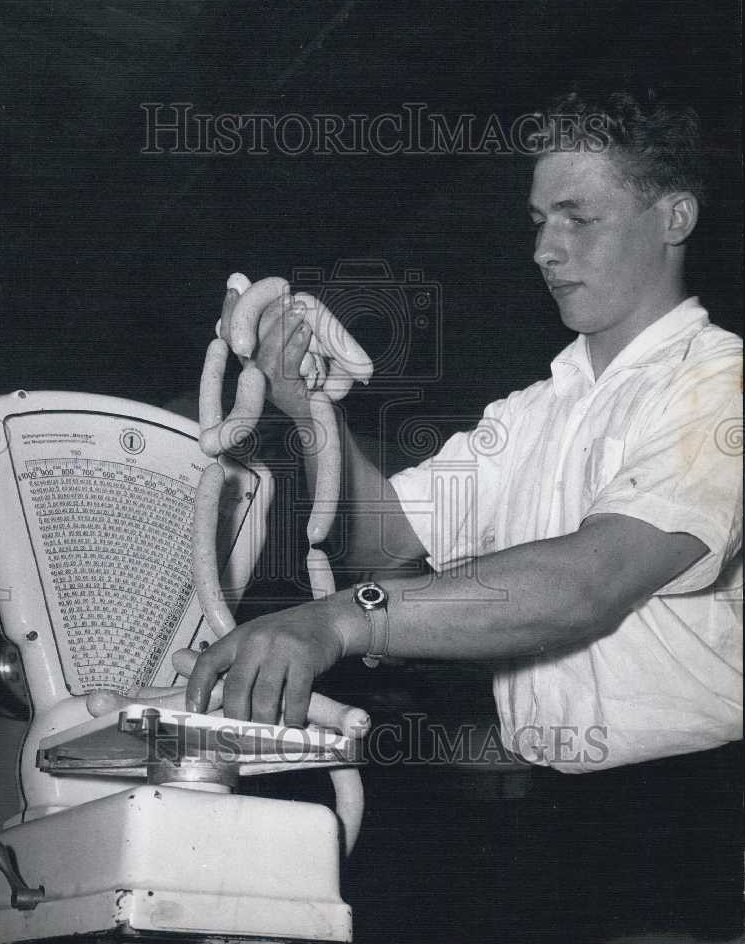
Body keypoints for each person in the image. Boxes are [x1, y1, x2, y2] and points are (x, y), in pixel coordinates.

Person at [187, 89, 743, 941]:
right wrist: (306, 409)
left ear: (674, 217)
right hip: (555, 809)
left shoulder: (717, 384)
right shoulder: (533, 410)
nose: (544, 249)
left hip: (692, 809)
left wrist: (341, 622)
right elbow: (389, 540)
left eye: (576, 218)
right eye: (536, 220)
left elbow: (589, 581)